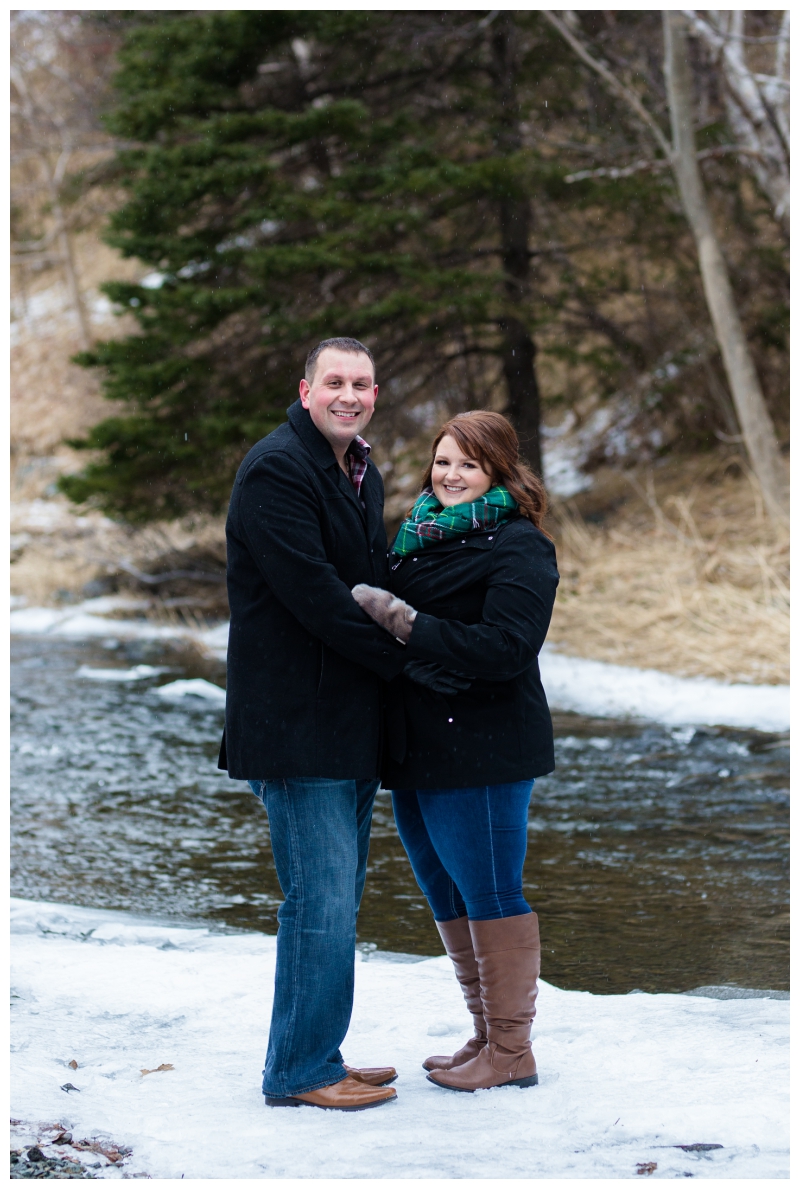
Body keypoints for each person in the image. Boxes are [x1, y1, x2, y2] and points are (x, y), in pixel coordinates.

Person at [219, 337, 414, 1111]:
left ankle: (319, 1049)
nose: (349, 394)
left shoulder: (356, 468)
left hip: (347, 720)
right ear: (305, 390)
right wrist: (410, 659)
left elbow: (372, 579)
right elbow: (321, 599)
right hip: (297, 724)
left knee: (338, 896)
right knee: (318, 900)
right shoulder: (276, 469)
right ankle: (300, 1070)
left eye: (361, 383)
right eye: (334, 381)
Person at [352, 410, 559, 1094]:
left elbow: (508, 647)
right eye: (443, 461)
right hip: (420, 745)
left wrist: (411, 626)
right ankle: (485, 1032)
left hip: (486, 746)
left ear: (498, 470)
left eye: (468, 463)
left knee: (492, 888)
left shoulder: (518, 544)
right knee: (446, 889)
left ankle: (512, 1050)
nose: (451, 474)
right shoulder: (416, 536)